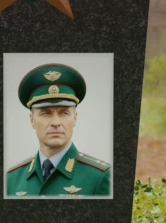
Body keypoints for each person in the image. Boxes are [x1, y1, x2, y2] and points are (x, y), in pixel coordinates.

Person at [6, 63, 111, 197]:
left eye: (64, 113)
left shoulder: (100, 177)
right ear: (32, 120)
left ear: (75, 118)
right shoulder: (11, 180)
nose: (56, 123)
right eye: (45, 113)